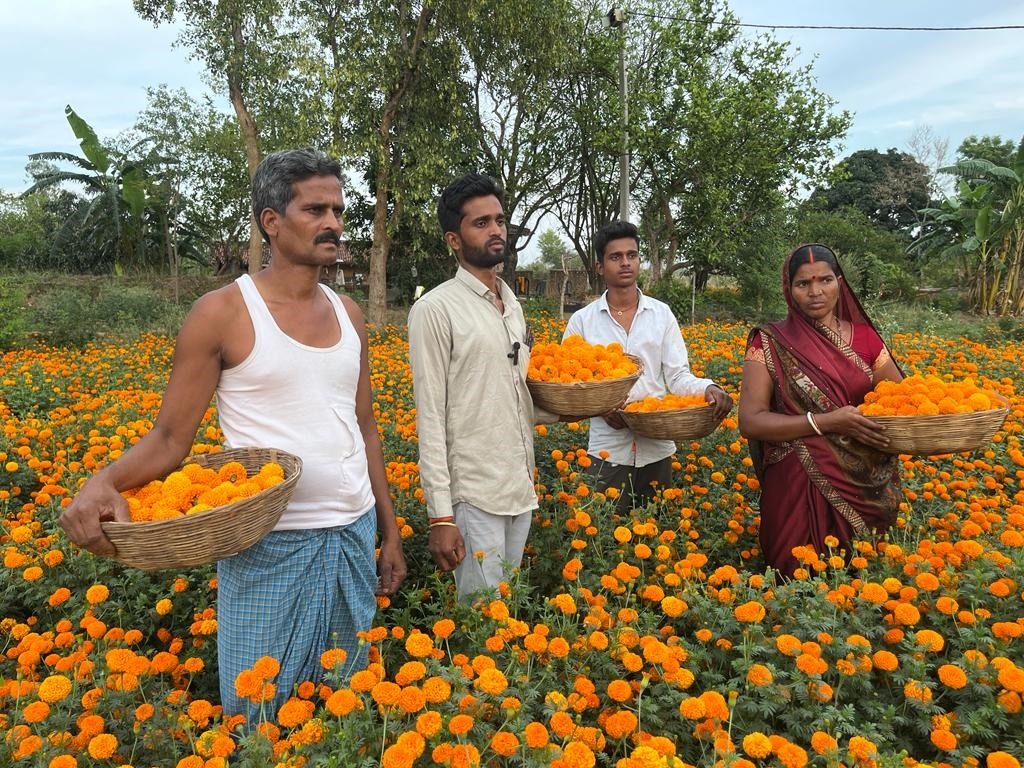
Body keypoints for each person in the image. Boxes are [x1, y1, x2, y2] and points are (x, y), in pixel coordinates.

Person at [58, 148, 406, 719]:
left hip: (351, 532)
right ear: (271, 221)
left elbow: (365, 427)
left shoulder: (348, 312)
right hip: (268, 543)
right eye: (315, 209)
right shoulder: (222, 313)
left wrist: (388, 532)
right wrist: (104, 480)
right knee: (258, 713)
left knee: (343, 708)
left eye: (339, 210)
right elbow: (171, 439)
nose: (334, 224)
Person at [408, 173, 550, 600]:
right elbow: (430, 416)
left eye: (500, 220)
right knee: (481, 619)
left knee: (508, 611)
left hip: (519, 485)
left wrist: (594, 400)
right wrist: (441, 516)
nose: (496, 231)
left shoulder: (512, 306)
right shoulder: (435, 310)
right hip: (473, 494)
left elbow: (518, 394)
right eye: (481, 223)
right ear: (454, 239)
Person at [738, 243, 903, 577]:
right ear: (789, 289)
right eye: (803, 284)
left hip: (862, 477)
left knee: (861, 576)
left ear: (839, 282)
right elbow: (751, 420)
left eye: (825, 280)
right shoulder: (769, 341)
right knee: (794, 576)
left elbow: (903, 401)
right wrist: (826, 421)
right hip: (796, 478)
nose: (816, 292)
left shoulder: (867, 340)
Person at [564, 220, 732, 513]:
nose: (626, 263)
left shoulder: (661, 314)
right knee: (604, 535)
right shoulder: (582, 321)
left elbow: (678, 375)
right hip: (607, 450)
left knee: (655, 533)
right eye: (616, 257)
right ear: (600, 266)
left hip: (657, 449)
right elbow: (571, 388)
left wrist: (709, 387)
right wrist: (602, 408)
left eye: (632, 255)